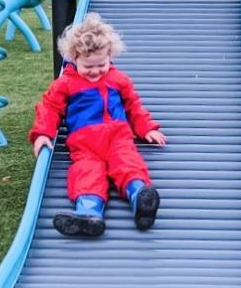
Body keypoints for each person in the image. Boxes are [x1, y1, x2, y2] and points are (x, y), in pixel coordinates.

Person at [29, 13, 167, 237]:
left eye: (101, 64)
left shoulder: (118, 79)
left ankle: (142, 200)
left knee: (128, 165)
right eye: (88, 66)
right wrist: (42, 134)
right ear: (74, 58)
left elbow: (134, 105)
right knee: (86, 174)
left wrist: (147, 128)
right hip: (85, 145)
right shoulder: (66, 83)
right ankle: (89, 216)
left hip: (118, 138)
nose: (95, 71)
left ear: (110, 55)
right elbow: (49, 107)